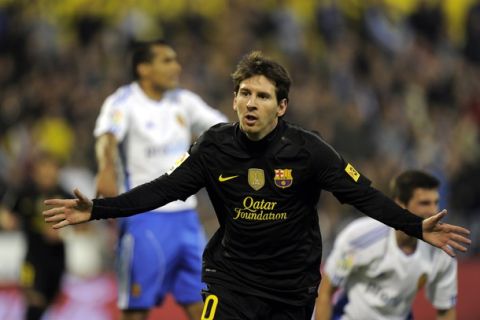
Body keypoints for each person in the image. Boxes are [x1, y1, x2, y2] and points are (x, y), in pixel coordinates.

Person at [43, 51, 470, 320]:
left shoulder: (309, 151)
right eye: (244, 93)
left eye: (263, 96)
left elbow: (364, 195)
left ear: (281, 106)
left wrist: (415, 226)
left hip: (291, 289)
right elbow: (162, 189)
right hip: (231, 280)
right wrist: (97, 209)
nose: (251, 102)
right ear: (233, 100)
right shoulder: (213, 147)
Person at [93, 39, 227, 320]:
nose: (176, 67)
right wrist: (106, 168)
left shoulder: (184, 101)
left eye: (176, 60)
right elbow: (107, 137)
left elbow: (223, 128)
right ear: (143, 68)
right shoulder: (124, 102)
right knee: (136, 310)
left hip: (187, 220)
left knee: (203, 306)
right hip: (145, 217)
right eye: (166, 61)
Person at [315, 170, 458, 320]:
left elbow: (446, 309)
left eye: (435, 202)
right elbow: (325, 293)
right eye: (424, 203)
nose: (433, 211)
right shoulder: (360, 237)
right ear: (399, 204)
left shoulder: (441, 250)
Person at [3, 151, 71, 320]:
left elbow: (85, 227)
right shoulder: (25, 193)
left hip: (57, 261)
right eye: (44, 168)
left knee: (45, 304)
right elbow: (5, 212)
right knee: (34, 302)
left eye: (52, 168)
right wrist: (7, 220)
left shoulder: (65, 196)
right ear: (36, 171)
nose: (48, 172)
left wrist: (65, 232)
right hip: (32, 260)